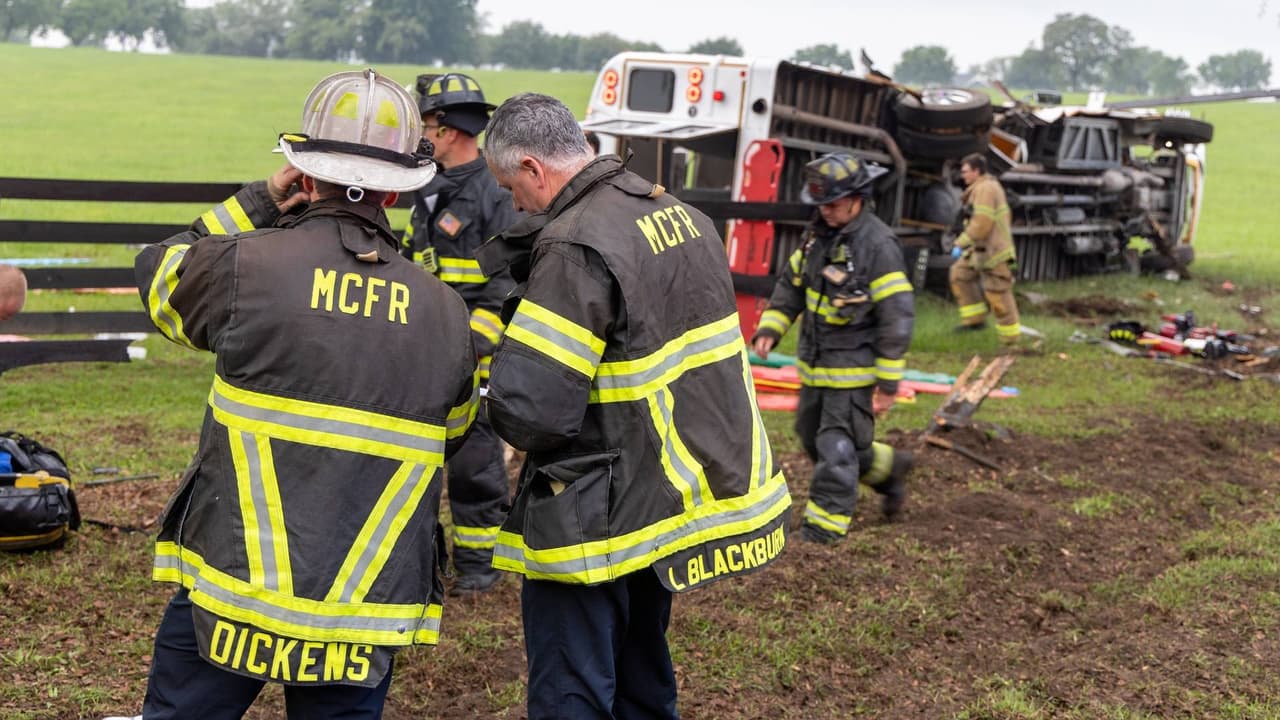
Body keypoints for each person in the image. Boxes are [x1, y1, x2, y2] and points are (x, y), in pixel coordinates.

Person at [129, 69, 478, 720]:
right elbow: (455, 428)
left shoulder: (243, 269)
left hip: (235, 595)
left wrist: (260, 201)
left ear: (305, 177)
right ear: (397, 196)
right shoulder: (447, 316)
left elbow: (158, 268)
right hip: (362, 608)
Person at [474, 93, 791, 720]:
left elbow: (533, 411)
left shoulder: (573, 247)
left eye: (512, 186)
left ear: (535, 168)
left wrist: (488, 384)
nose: (515, 204)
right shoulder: (678, 214)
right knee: (643, 672)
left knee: (574, 687)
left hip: (594, 510)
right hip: (665, 496)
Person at [750, 152, 915, 543]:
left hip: (853, 373)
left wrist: (888, 383)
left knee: (836, 446)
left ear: (859, 198)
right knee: (812, 437)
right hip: (815, 368)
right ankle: (891, 470)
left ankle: (823, 531)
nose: (826, 211)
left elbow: (898, 316)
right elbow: (791, 285)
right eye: (821, 204)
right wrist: (771, 329)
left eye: (834, 204)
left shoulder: (879, 245)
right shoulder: (816, 238)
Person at [402, 72, 521, 596]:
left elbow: (506, 285)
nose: (422, 134)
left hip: (476, 358)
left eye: (427, 124)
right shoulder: (424, 187)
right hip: (422, 353)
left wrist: (472, 345)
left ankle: (478, 565)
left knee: (475, 465)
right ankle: (428, 557)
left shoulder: (494, 193)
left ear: (449, 130)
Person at [949, 152, 1023, 346]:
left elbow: (982, 223)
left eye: (965, 171)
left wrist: (960, 242)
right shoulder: (979, 188)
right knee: (960, 274)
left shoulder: (986, 189)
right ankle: (975, 321)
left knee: (997, 293)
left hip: (994, 251)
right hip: (980, 249)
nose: (962, 175)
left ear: (977, 171)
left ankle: (1010, 339)